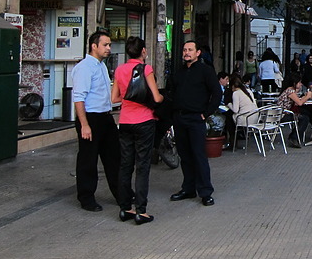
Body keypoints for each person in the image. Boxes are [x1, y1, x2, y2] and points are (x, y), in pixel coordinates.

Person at [110, 36, 164, 224]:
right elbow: (156, 98)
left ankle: (125, 208)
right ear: (143, 51)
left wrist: (128, 97)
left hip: (125, 121)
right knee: (142, 166)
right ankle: (141, 210)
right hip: (144, 121)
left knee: (125, 165)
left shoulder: (120, 70)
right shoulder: (146, 69)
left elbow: (114, 98)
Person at [72, 30, 120, 212]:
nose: (109, 48)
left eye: (109, 45)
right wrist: (84, 124)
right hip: (90, 117)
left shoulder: (101, 65)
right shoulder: (84, 67)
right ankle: (86, 198)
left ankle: (121, 193)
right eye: (105, 45)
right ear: (94, 46)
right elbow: (79, 98)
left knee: (114, 157)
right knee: (88, 160)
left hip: (105, 116)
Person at [170, 40, 221, 207]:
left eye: (190, 50)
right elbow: (172, 92)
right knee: (185, 156)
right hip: (180, 118)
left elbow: (216, 93)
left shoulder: (206, 71)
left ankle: (205, 192)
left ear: (198, 53)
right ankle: (188, 188)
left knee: (199, 156)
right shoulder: (179, 72)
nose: (186, 53)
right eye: (184, 50)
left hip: (196, 119)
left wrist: (205, 114)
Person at [276, 73, 312, 148]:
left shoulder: (290, 91)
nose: (300, 84)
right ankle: (294, 137)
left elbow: (297, 102)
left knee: (305, 115)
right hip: (282, 115)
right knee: (304, 118)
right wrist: (308, 96)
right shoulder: (290, 91)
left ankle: (294, 137)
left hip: (284, 113)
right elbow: (299, 103)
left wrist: (305, 97)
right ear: (294, 83)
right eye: (299, 82)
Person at [226, 73, 258, 145]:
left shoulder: (236, 93)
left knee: (230, 117)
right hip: (255, 117)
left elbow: (235, 110)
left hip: (246, 119)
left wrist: (229, 104)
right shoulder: (248, 91)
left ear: (233, 86)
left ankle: (233, 141)